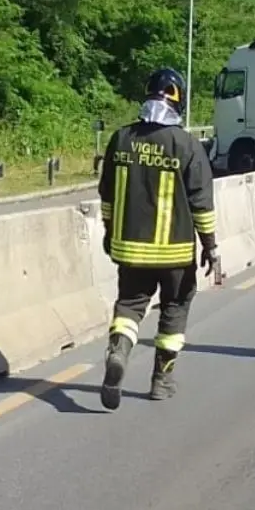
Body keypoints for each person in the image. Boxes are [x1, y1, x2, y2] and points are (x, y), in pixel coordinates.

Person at [96, 68, 224, 410]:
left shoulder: (121, 139)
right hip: (175, 254)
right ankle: (162, 380)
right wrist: (211, 246)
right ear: (178, 100)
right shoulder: (186, 145)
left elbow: (106, 195)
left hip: (129, 250)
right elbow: (201, 203)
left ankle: (119, 350)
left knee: (130, 305)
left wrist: (109, 233)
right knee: (174, 310)